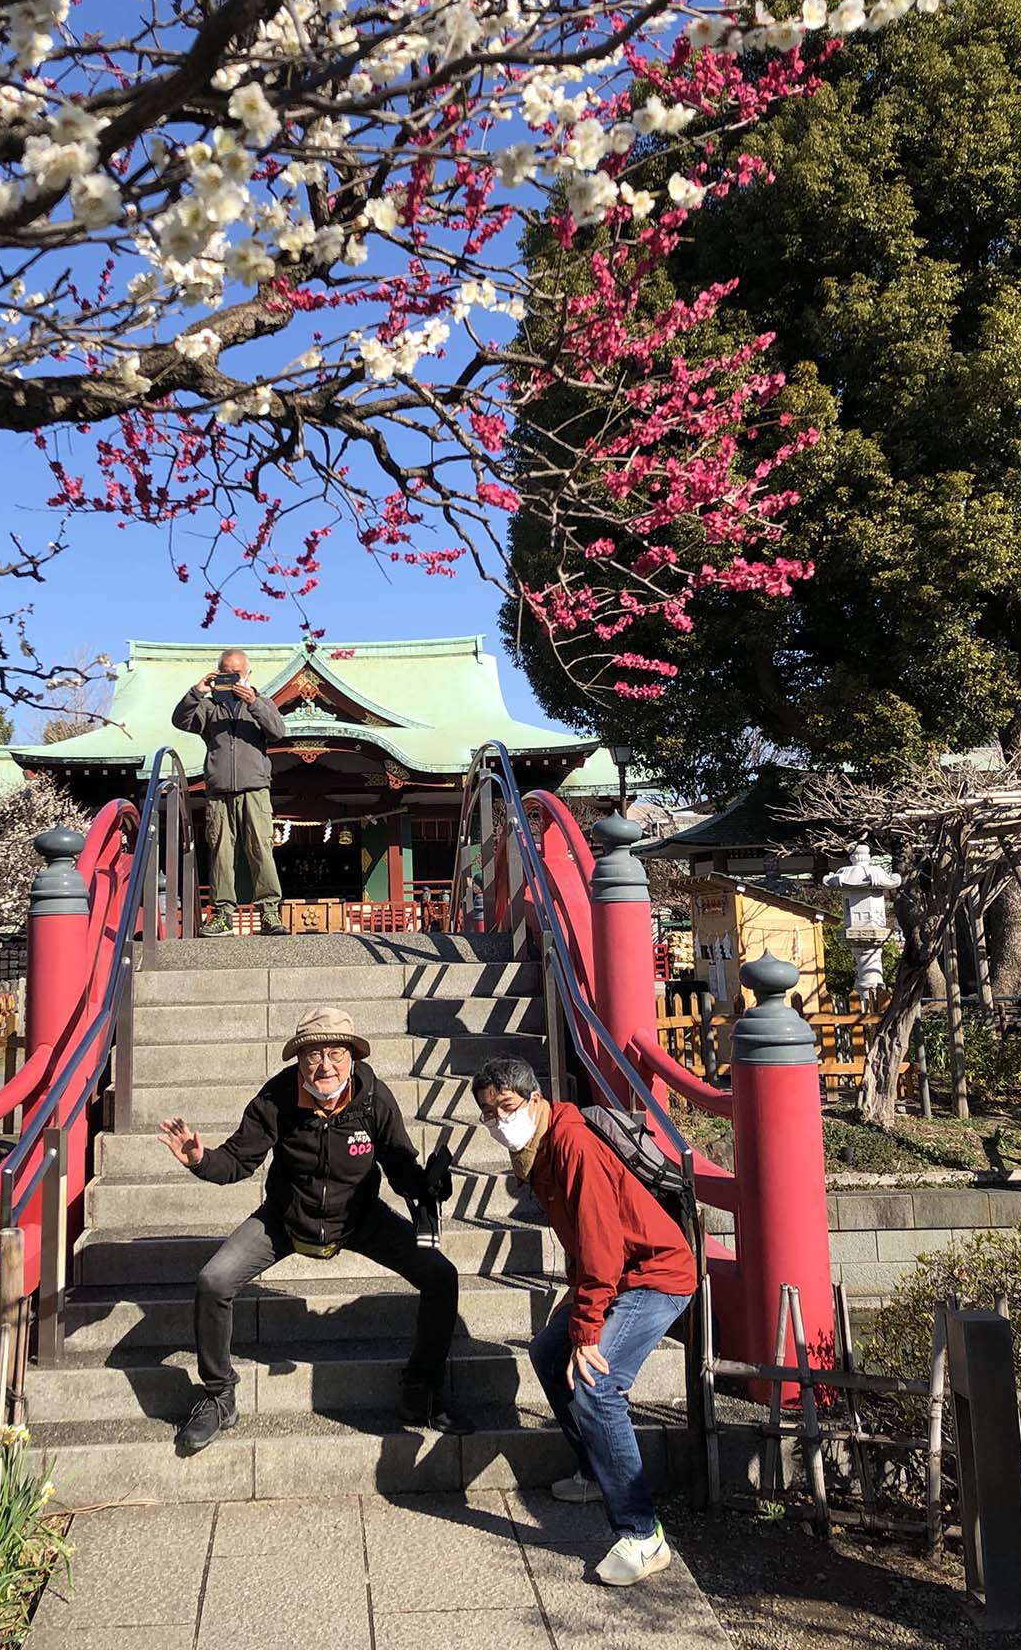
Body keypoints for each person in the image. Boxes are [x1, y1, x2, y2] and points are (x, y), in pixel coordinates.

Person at [159, 1006, 469, 1455]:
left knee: (441, 1276)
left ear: (352, 1057)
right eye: (313, 1055)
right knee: (214, 1280)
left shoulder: (373, 1098)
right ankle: (219, 1395)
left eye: (335, 1053)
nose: (325, 1066)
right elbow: (238, 1161)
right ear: (299, 1060)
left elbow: (401, 1167)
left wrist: (429, 1185)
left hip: (360, 1218)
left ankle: (421, 1390)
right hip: (285, 1219)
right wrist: (200, 1160)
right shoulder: (277, 1098)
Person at [471, 1055, 696, 1589]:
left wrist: (588, 1325)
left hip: (654, 1275)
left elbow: (601, 1240)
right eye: (488, 1113)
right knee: (548, 1352)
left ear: (535, 1099)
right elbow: (583, 1242)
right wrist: (577, 1304)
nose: (500, 1121)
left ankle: (642, 1534)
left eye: (507, 1107)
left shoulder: (572, 1144)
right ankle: (598, 1470)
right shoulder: (539, 1151)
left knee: (595, 1383)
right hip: (617, 1276)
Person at [171, 646, 288, 936]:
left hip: (255, 789)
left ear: (248, 674)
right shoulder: (209, 708)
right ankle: (222, 915)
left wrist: (254, 703)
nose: (232, 677)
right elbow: (180, 721)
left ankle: (269, 912)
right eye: (225, 673)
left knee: (261, 849)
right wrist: (197, 691)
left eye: (237, 673)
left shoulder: (262, 703)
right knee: (221, 853)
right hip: (219, 790)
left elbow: (278, 732)